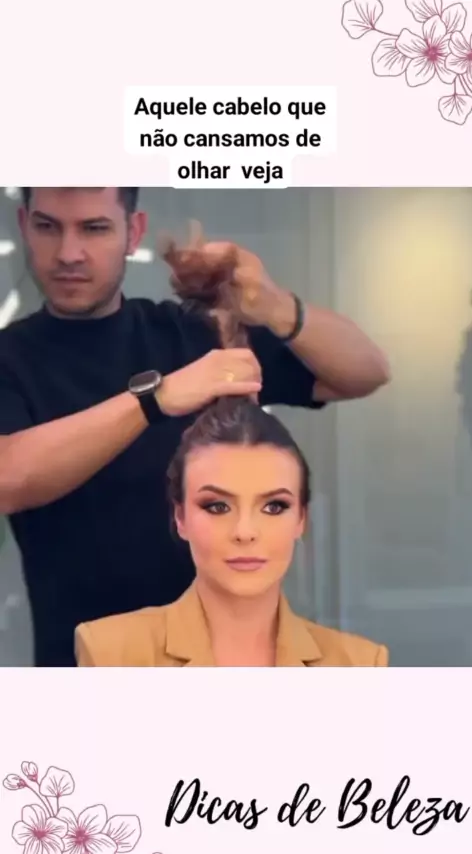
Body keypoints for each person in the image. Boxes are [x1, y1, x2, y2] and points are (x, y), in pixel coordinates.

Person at [0, 187, 390, 667]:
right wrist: (156, 399)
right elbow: (8, 476)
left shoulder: (191, 336)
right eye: (48, 227)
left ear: (133, 232)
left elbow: (365, 371)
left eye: (94, 228)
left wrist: (275, 306)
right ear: (24, 226)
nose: (69, 252)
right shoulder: (9, 359)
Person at [75, 396, 388, 667]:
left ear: (301, 519)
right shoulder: (111, 652)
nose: (245, 532)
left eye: (274, 507)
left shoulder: (360, 663)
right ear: (180, 517)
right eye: (217, 507)